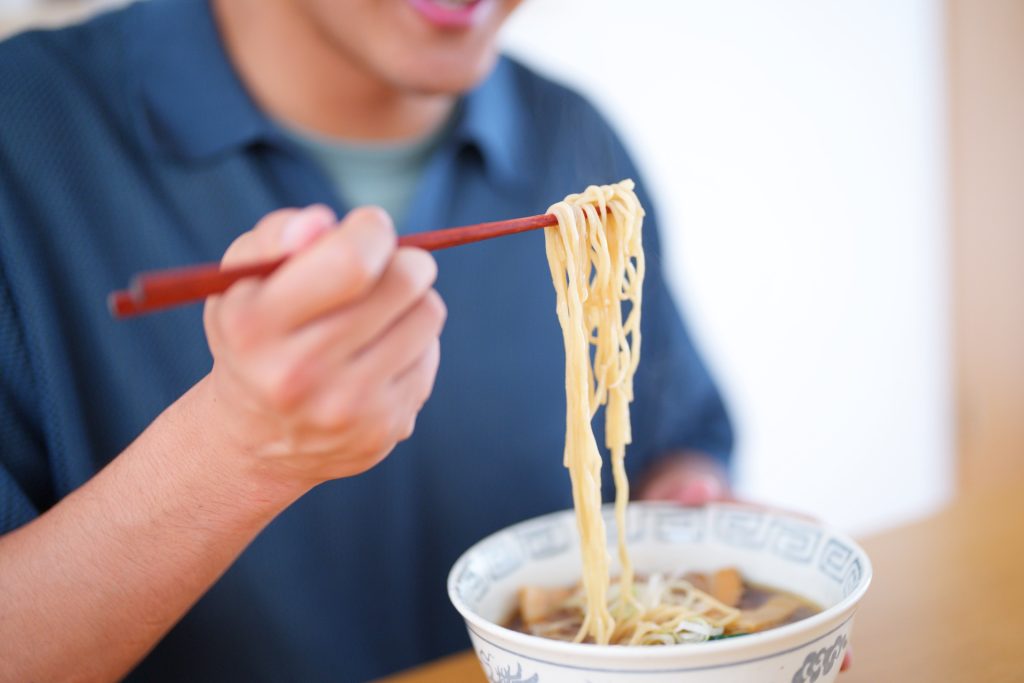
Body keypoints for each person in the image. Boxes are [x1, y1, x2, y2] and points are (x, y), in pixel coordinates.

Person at [0, 0, 736, 680]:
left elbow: (672, 442)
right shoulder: (25, 130)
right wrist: (236, 448)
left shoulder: (574, 140)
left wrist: (690, 506)